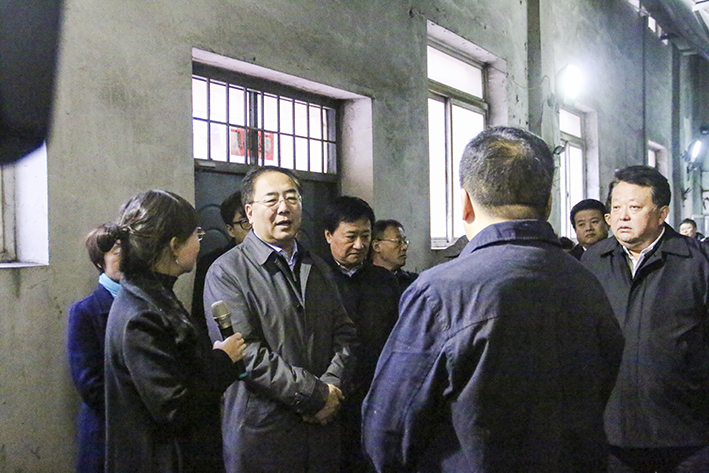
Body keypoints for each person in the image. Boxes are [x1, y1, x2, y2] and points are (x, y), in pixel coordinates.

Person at [362, 126, 624, 473]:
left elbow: (388, 429)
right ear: (548, 203)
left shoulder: (442, 293)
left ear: (465, 203)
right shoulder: (586, 283)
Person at [203, 166, 356, 473]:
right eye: (271, 200)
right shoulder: (227, 272)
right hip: (263, 434)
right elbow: (245, 352)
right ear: (249, 212)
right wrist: (315, 395)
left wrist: (331, 387)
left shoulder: (318, 267)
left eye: (292, 198)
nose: (284, 208)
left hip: (321, 433)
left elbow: (344, 334)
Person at [104, 190, 247, 473]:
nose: (199, 242)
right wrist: (222, 361)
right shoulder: (141, 315)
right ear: (174, 246)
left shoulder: (153, 296)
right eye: (196, 234)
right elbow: (174, 408)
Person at [582, 165, 709, 472]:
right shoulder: (593, 261)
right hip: (612, 432)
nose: (622, 217)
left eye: (635, 208)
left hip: (686, 432)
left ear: (662, 213)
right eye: (616, 208)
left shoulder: (697, 263)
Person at [322, 197, 400, 473]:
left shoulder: (384, 280)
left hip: (374, 394)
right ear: (329, 235)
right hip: (328, 393)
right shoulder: (315, 278)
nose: (359, 245)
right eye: (350, 236)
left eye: (365, 236)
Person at [67, 224, 121, 473]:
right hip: (105, 428)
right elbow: (90, 383)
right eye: (117, 251)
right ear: (100, 262)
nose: (125, 257)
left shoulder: (144, 303)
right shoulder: (85, 311)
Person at [191, 190, 251, 322]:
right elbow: (199, 317)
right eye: (245, 222)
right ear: (230, 230)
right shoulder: (212, 264)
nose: (253, 227)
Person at [371, 219, 418, 291]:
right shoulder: (362, 282)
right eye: (398, 242)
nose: (404, 247)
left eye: (404, 242)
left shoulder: (413, 283)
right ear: (376, 246)